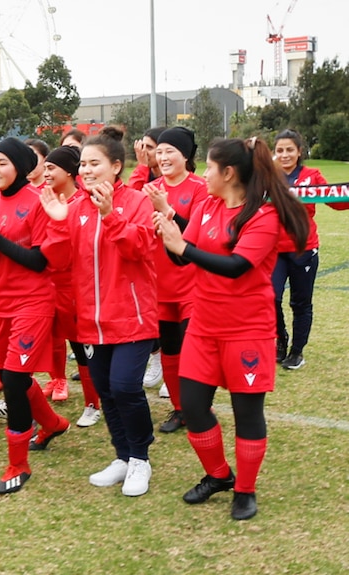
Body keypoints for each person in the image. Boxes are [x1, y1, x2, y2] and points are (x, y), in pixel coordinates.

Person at [154, 136, 309, 520]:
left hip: (247, 329)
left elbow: (237, 266)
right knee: (192, 404)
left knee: (247, 413)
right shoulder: (208, 205)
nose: (204, 174)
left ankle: (246, 489)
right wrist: (167, 234)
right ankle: (219, 475)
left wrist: (181, 247)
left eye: (208, 167)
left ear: (228, 172)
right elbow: (183, 260)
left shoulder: (263, 216)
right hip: (204, 326)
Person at [41, 126, 158, 497]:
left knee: (125, 387)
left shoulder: (137, 201)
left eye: (95, 164)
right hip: (91, 319)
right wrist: (58, 220)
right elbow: (57, 260)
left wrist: (110, 215)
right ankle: (122, 456)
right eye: (83, 165)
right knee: (106, 389)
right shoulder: (74, 206)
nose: (86, 171)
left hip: (132, 316)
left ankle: (140, 459)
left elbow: (139, 249)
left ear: (116, 167)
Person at [0, 137, 70, 495]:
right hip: (3, 303)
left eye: (2, 164)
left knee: (14, 379)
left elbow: (39, 261)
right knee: (15, 376)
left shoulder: (38, 202)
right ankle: (53, 423)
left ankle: (18, 464)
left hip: (34, 302)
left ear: (20, 168)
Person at [142, 127, 209, 434]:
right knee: (169, 349)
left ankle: (199, 408)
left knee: (194, 350)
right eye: (160, 151)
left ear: (185, 156)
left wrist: (167, 210)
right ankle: (180, 409)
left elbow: (197, 237)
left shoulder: (199, 187)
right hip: (160, 284)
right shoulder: (150, 187)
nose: (163, 157)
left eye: (170, 151)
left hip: (192, 284)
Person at [271, 129, 349, 369]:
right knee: (270, 297)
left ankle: (297, 351)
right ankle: (280, 340)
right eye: (280, 150)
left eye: (289, 150)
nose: (284, 155)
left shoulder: (311, 175)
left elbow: (334, 201)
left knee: (300, 302)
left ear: (299, 152)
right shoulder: (268, 176)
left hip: (304, 248)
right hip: (273, 249)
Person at [41, 145, 102, 427]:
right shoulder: (47, 199)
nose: (46, 173)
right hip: (50, 285)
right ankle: (57, 380)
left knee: (82, 348)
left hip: (77, 289)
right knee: (54, 338)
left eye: (52, 168)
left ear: (69, 171)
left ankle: (93, 403)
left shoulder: (82, 202)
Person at [129, 127, 167, 392]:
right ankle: (157, 361)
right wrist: (142, 168)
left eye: (151, 147)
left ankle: (172, 368)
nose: (146, 153)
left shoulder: (175, 181)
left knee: (170, 321)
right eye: (142, 147)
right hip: (143, 261)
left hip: (170, 263)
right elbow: (128, 202)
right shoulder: (143, 177)